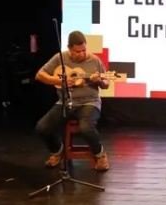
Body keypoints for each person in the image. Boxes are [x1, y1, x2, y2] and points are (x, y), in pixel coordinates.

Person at [34, 30, 110, 171]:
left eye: (84, 50)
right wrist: (57, 81)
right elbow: (39, 75)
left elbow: (106, 84)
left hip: (89, 102)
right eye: (77, 51)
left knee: (86, 128)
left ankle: (100, 154)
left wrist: (99, 80)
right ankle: (57, 151)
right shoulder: (60, 58)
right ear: (69, 48)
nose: (82, 54)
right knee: (42, 127)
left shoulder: (94, 60)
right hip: (65, 102)